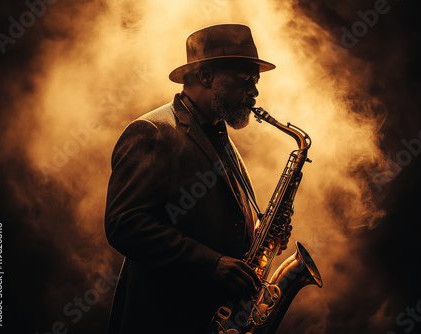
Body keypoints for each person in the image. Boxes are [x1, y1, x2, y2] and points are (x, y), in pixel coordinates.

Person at [104, 23, 290, 333]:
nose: (255, 93)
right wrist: (211, 264)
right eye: (246, 80)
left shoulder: (221, 138)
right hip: (164, 320)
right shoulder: (152, 132)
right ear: (207, 76)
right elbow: (124, 223)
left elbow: (213, 217)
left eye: (256, 82)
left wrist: (261, 232)